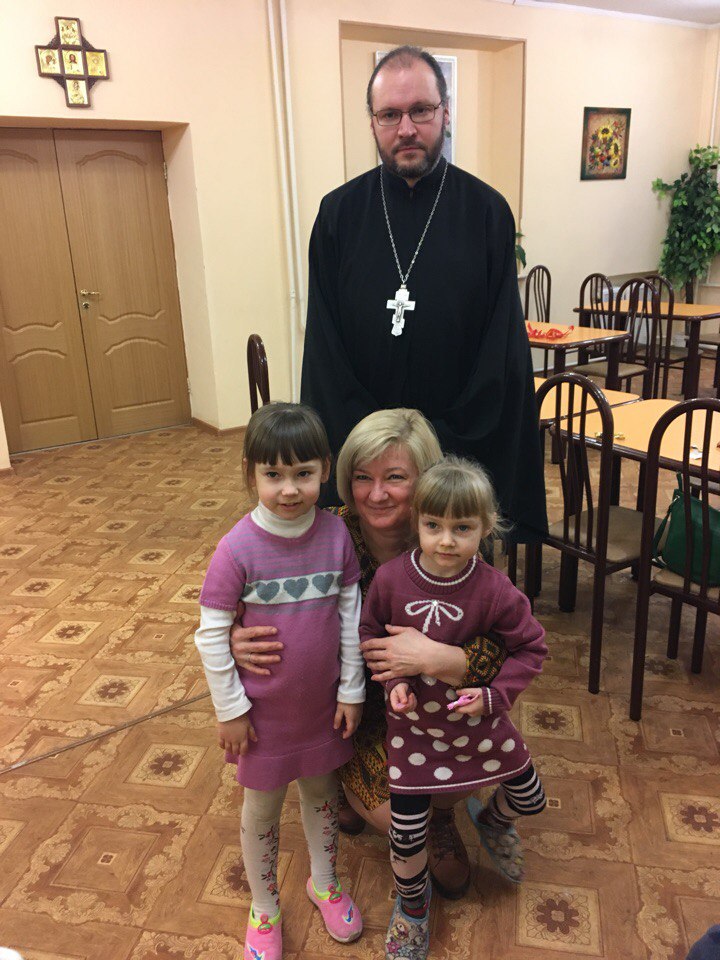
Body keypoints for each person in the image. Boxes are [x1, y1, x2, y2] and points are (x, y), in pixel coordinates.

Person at [231, 408, 509, 901]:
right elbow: (239, 588)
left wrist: (439, 658)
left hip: (431, 707)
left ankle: (442, 815)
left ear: (425, 480)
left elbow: (506, 644)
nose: (376, 494)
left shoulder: (450, 539)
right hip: (346, 710)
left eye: (395, 478)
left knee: (479, 755)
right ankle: (341, 782)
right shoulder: (323, 532)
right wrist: (236, 633)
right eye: (363, 477)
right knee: (391, 816)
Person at [300, 44, 546, 544]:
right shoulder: (338, 215)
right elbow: (325, 348)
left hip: (458, 454)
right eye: (390, 114)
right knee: (365, 577)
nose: (406, 128)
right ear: (373, 122)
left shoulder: (486, 212)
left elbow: (499, 351)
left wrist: (436, 444)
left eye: (421, 110)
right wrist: (376, 449)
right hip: (366, 456)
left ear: (445, 113)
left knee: (449, 577)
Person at [195, 402, 365, 960]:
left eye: (303, 473)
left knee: (321, 798)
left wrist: (351, 690)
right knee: (262, 812)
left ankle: (325, 883)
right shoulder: (235, 548)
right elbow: (211, 635)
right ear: (251, 473)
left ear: (325, 468)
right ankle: (264, 906)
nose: (289, 489)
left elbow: (350, 618)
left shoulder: (336, 536)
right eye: (273, 474)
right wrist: (230, 710)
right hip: (262, 720)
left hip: (322, 710)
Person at [360, 456, 547, 958]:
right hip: (413, 732)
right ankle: (412, 908)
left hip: (481, 725)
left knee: (531, 799)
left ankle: (491, 822)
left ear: (486, 527)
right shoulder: (391, 579)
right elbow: (371, 635)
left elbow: (531, 648)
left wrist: (494, 696)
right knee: (406, 836)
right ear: (417, 521)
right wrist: (393, 682)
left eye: (462, 528)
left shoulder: (495, 589)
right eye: (433, 526)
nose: (446, 541)